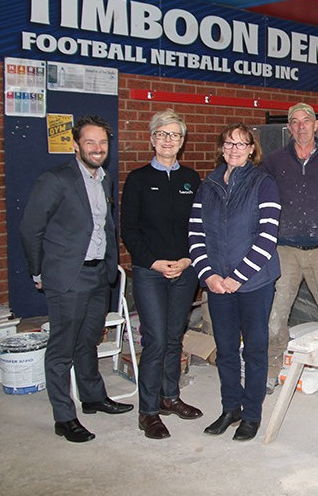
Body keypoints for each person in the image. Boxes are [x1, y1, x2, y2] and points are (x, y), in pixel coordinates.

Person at [20, 115, 132, 443]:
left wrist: (110, 266)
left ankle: (93, 397)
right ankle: (64, 416)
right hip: (67, 276)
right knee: (62, 347)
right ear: (75, 145)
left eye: (102, 143)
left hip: (99, 274)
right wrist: (38, 271)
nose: (97, 149)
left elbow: (104, 225)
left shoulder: (104, 179)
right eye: (90, 142)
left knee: (88, 341)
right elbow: (30, 229)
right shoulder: (55, 180)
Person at [188, 123, 281, 441]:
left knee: (254, 350)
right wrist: (208, 275)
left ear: (252, 149)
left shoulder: (263, 183)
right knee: (226, 349)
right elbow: (196, 233)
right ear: (221, 147)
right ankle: (231, 408)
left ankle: (252, 414)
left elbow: (267, 237)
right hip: (217, 282)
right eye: (228, 143)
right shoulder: (208, 184)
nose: (234, 149)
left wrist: (237, 278)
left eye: (241, 144)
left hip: (254, 282)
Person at [261, 103, 318, 399]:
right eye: (295, 122)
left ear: (316, 126)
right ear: (289, 128)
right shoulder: (274, 161)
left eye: (306, 121)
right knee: (275, 314)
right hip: (284, 250)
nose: (301, 126)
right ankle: (272, 370)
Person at [121, 109, 202, 439]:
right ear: (152, 138)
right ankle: (148, 411)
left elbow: (200, 227)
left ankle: (170, 397)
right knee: (154, 340)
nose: (169, 140)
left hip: (185, 270)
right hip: (150, 272)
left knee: (173, 337)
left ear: (182, 142)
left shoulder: (192, 179)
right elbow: (129, 229)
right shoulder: (138, 179)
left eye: (176, 135)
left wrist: (186, 260)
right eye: (163, 134)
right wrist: (154, 262)